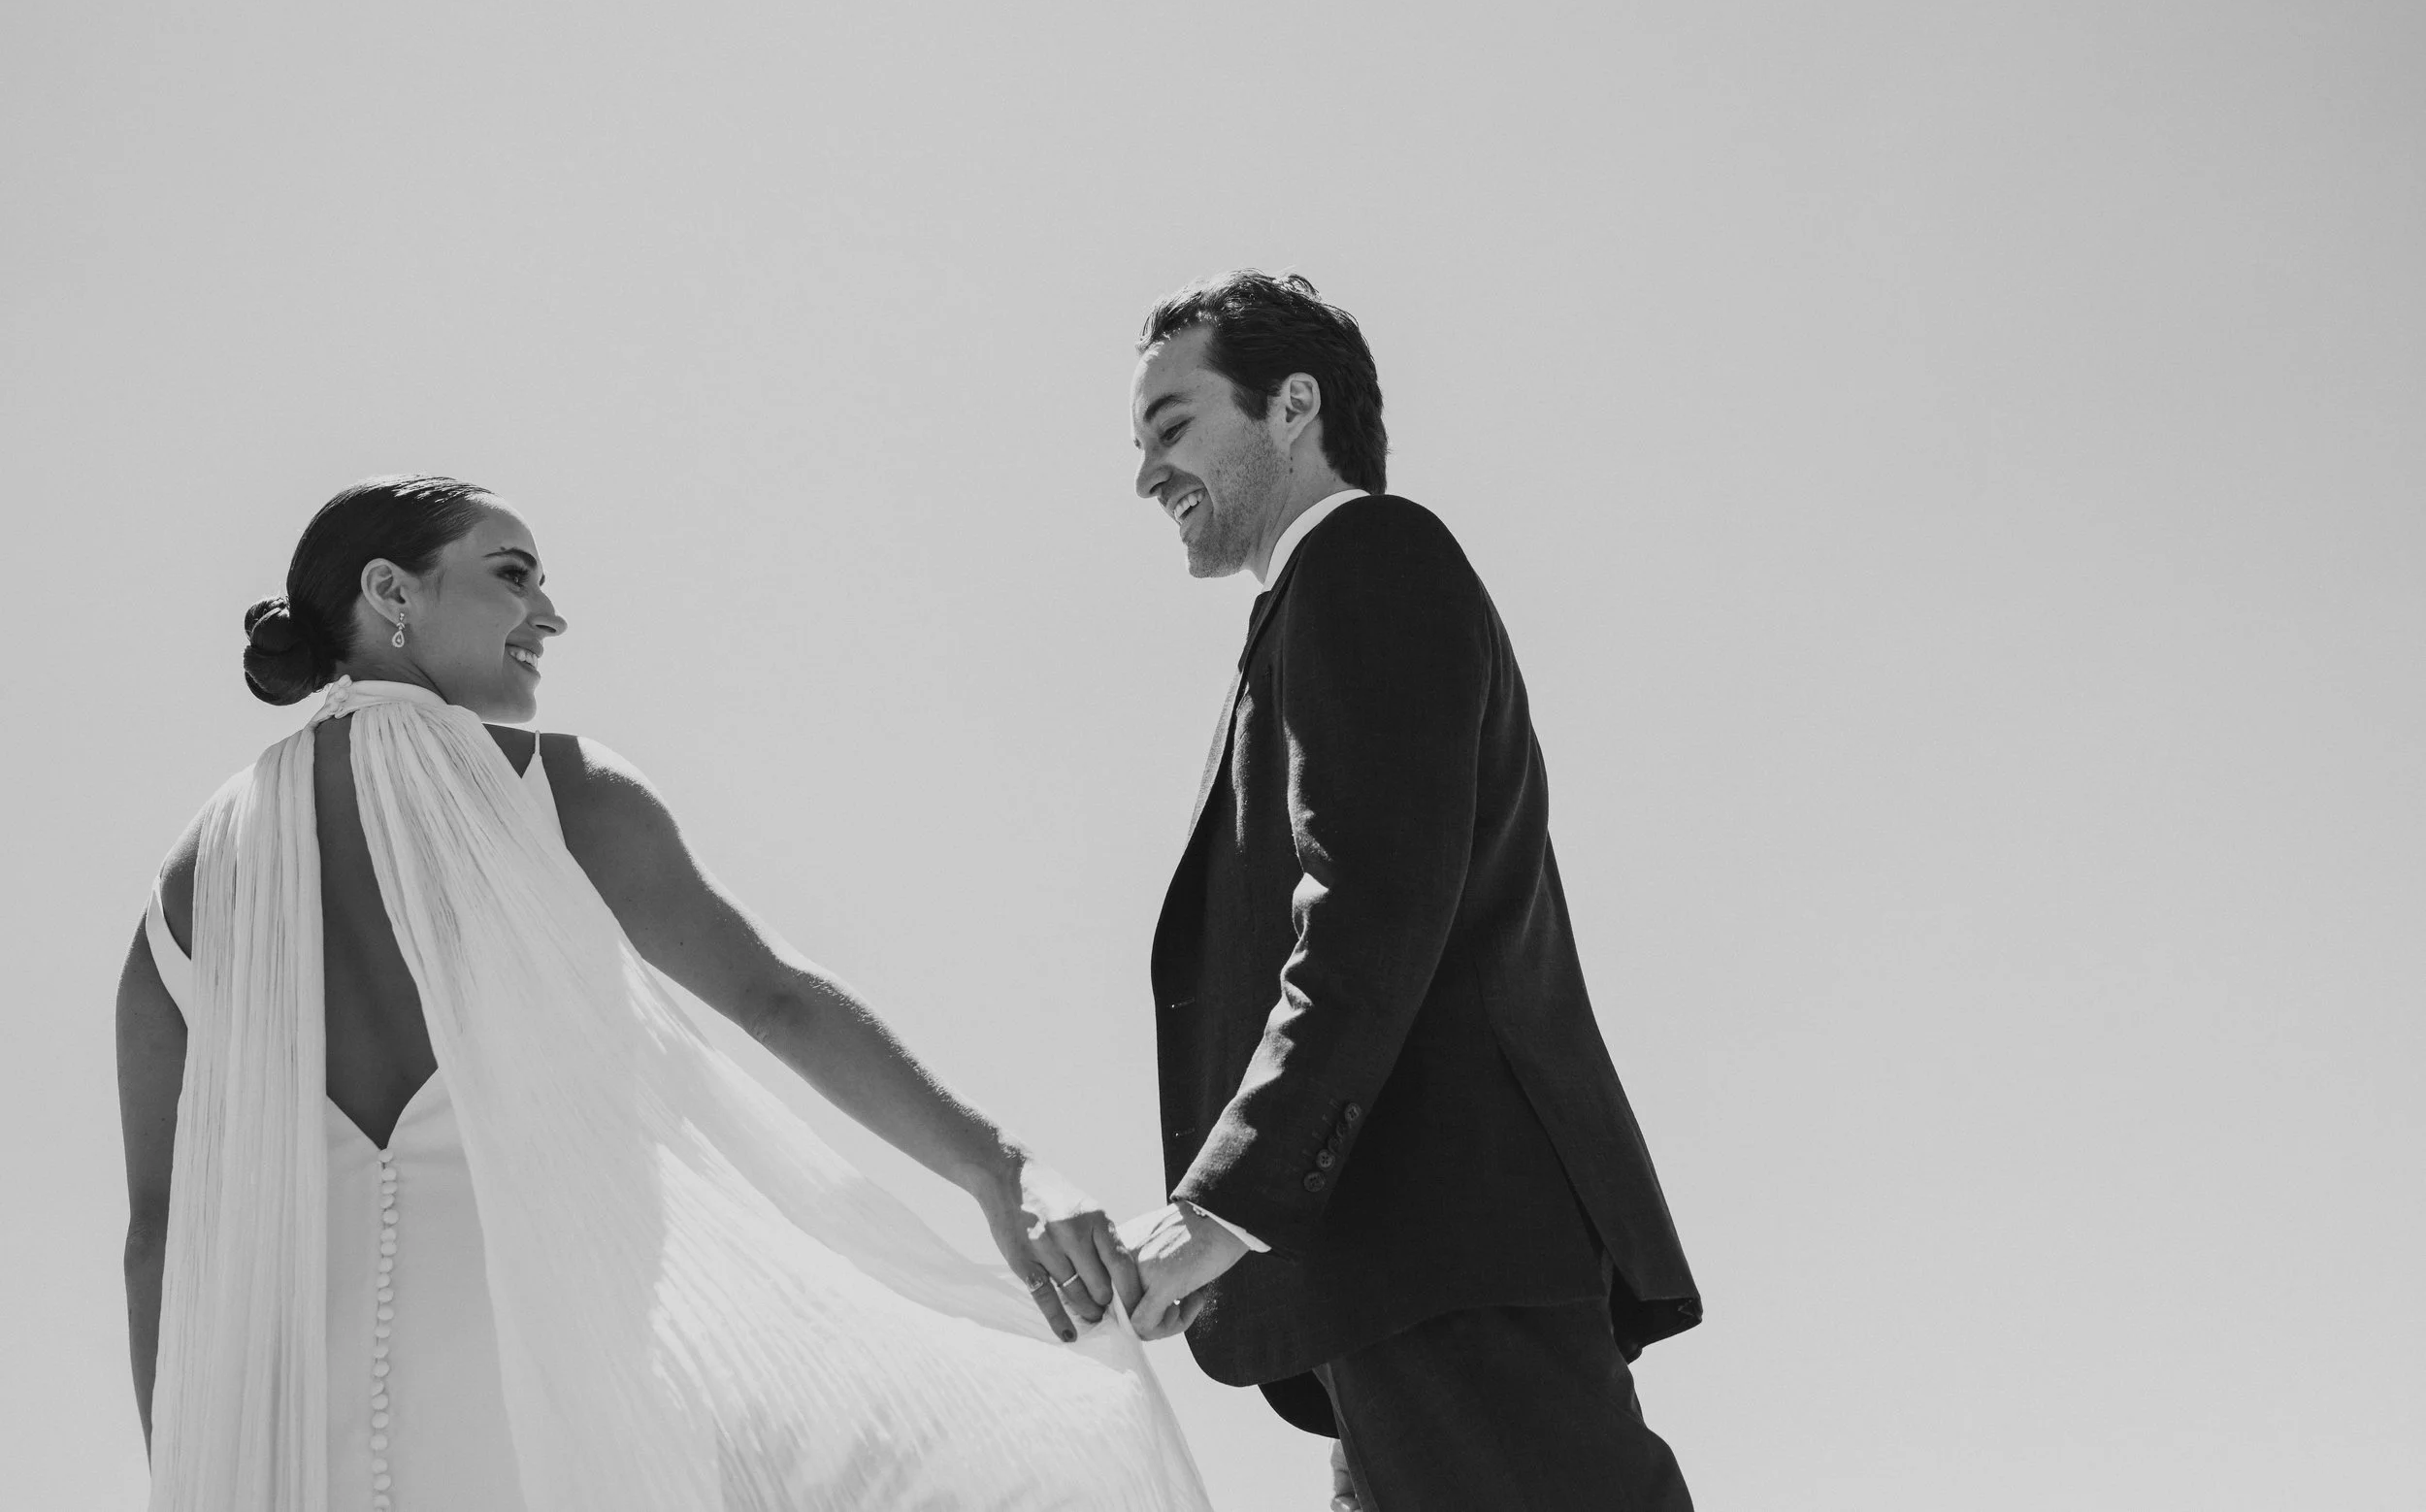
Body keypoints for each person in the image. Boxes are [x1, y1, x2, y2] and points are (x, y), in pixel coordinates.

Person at [115, 475, 1210, 1512]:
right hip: (538, 1407)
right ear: (391, 592)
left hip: (285, 1434)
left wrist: (195, 1465)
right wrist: (997, 1166)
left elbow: (158, 1233)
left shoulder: (184, 891)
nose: (548, 612)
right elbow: (773, 997)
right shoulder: (560, 794)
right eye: (512, 573)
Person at [1117, 272, 1702, 1511]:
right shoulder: (1311, 604)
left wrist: (1227, 1200)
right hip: (1394, 1277)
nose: (1146, 475)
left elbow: (1369, 903)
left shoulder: (1368, 558)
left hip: (1447, 1245)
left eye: (1172, 427)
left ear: (1291, 404)